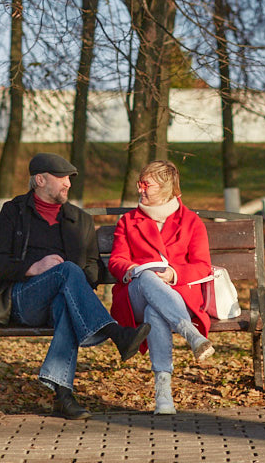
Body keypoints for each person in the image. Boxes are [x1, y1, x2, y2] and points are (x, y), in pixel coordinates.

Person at [0, 152, 151, 420]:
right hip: (23, 299)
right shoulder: (14, 211)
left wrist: (74, 284)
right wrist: (34, 267)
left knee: (66, 296)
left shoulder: (80, 219)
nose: (68, 184)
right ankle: (115, 332)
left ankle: (63, 397)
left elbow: (94, 267)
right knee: (66, 270)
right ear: (40, 179)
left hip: (64, 300)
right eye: (61, 177)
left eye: (70, 179)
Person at [108, 160, 215, 415]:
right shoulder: (128, 221)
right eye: (139, 183)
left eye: (146, 184)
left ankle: (163, 392)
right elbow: (116, 261)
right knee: (147, 277)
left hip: (177, 295)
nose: (140, 189)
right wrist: (134, 270)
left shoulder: (190, 222)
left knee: (155, 313)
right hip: (136, 292)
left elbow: (202, 266)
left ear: (166, 187)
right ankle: (190, 334)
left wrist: (173, 273)